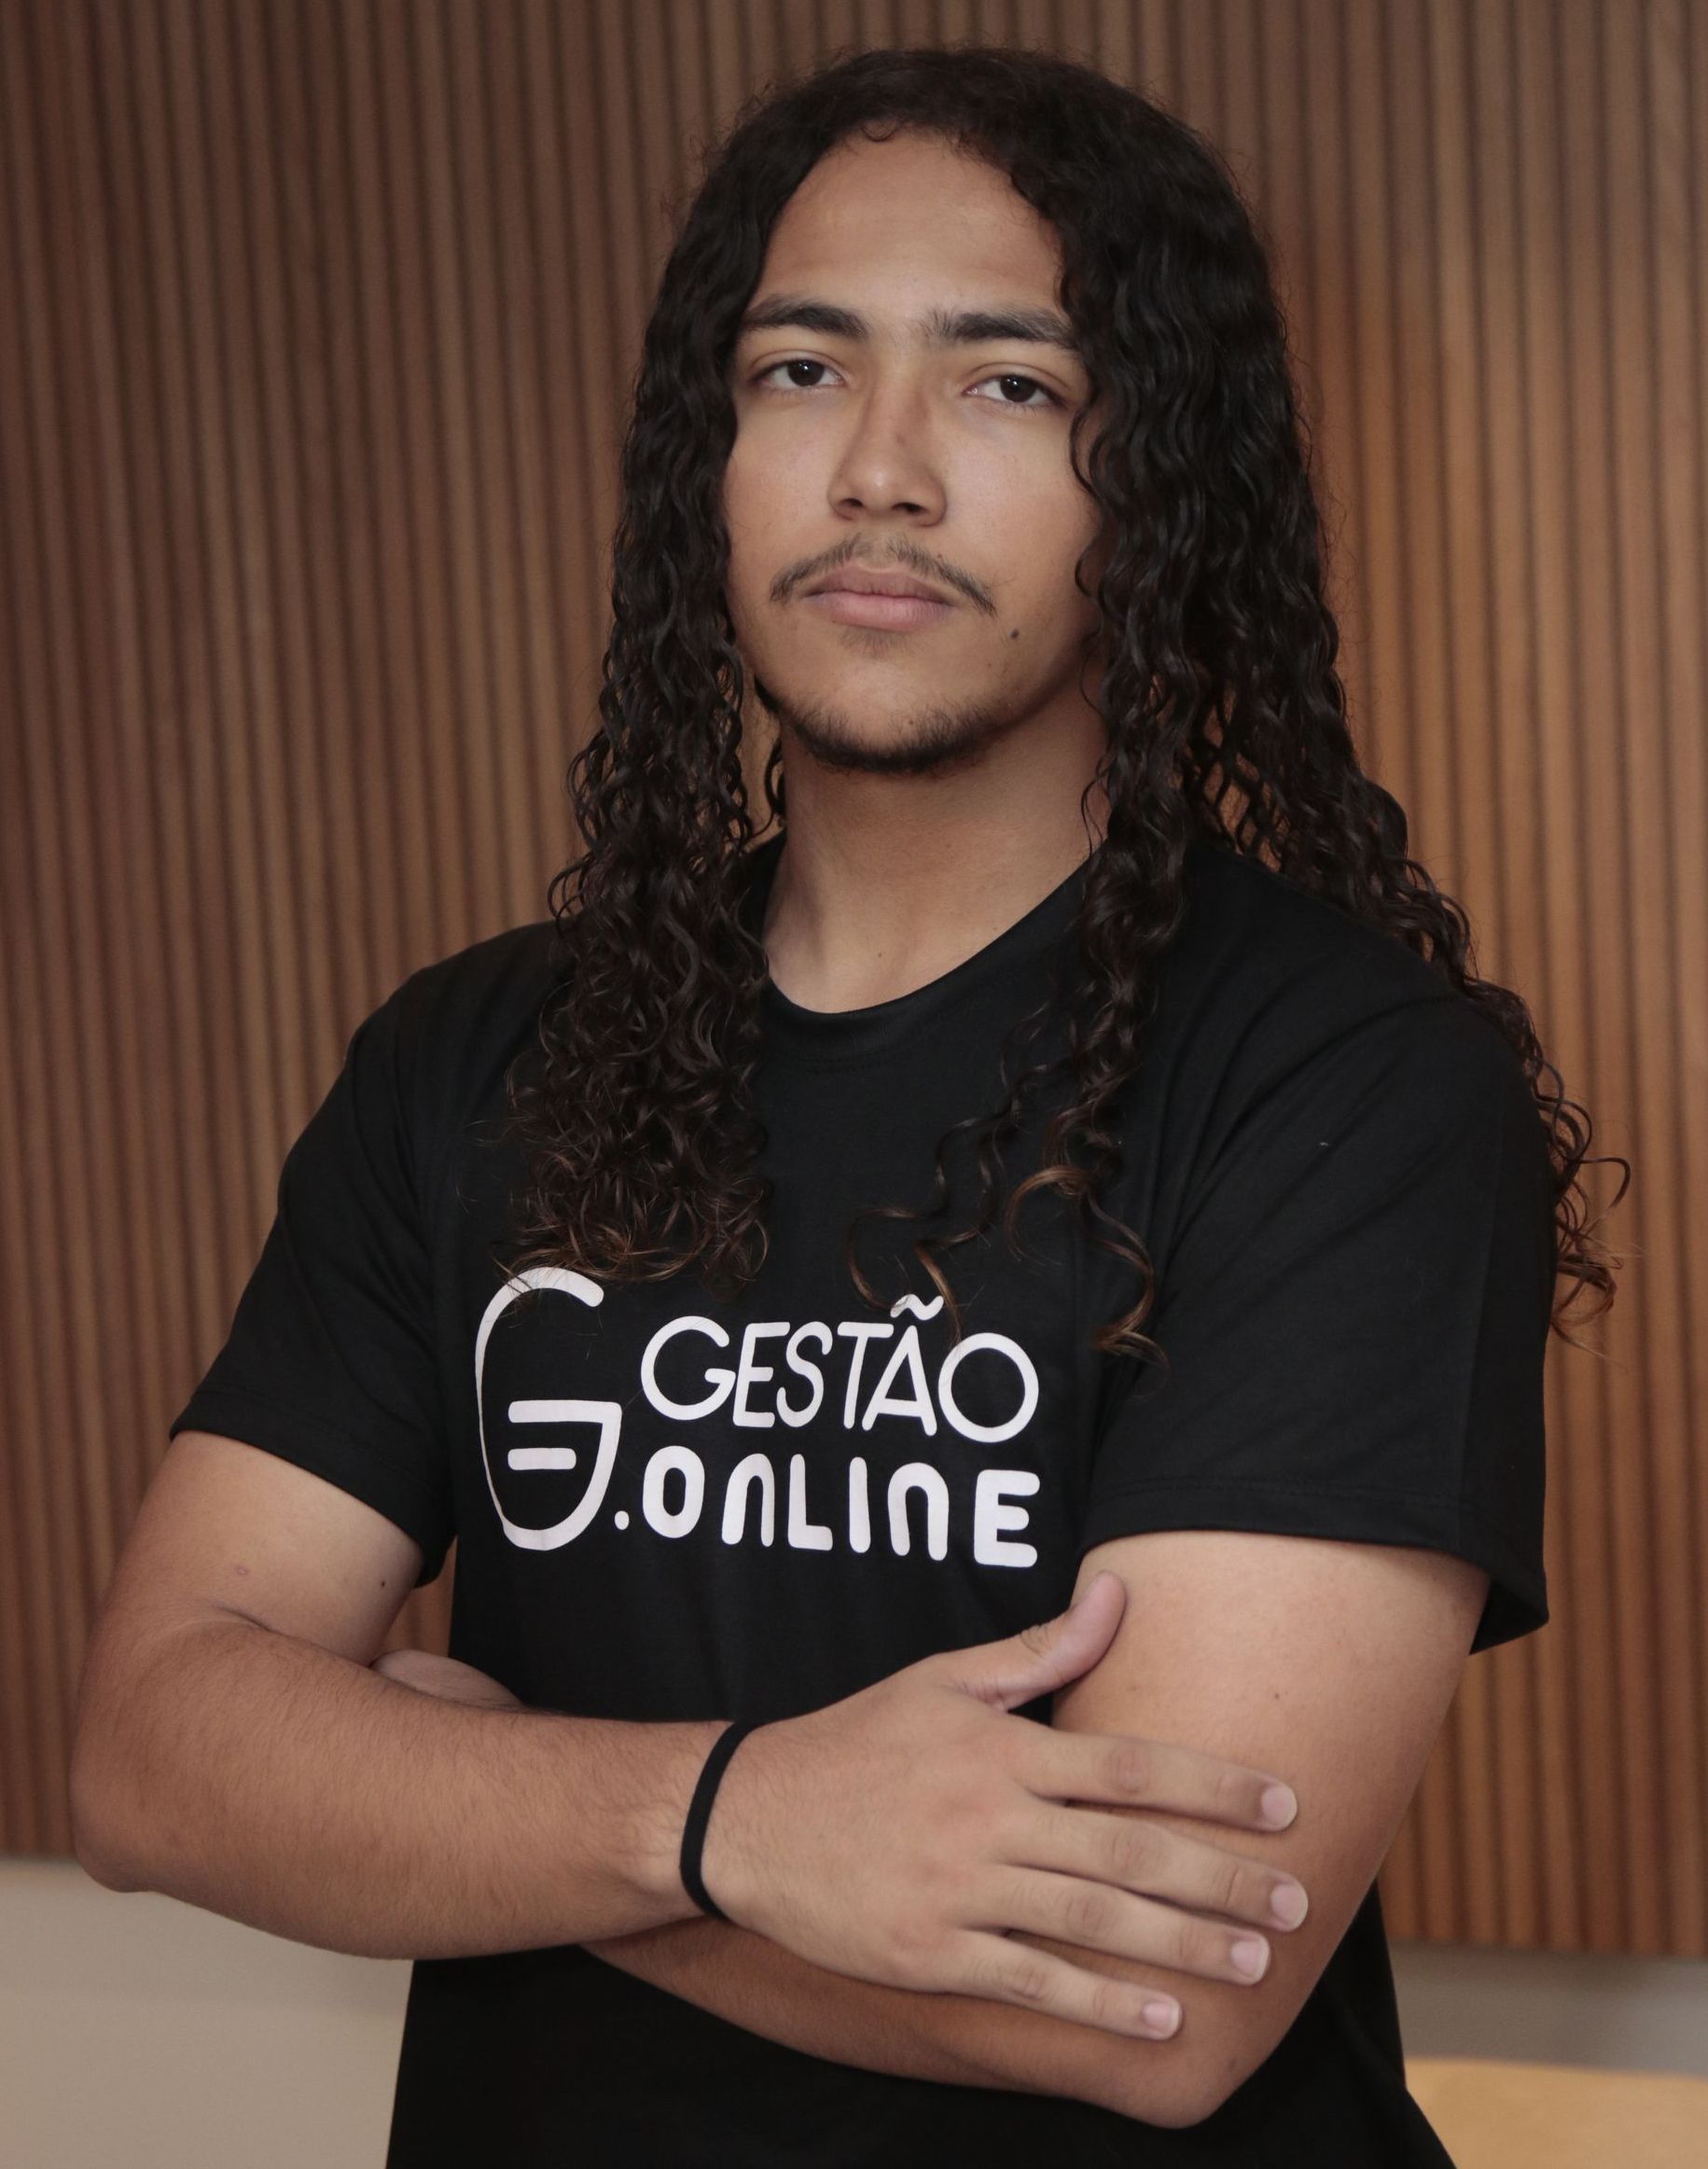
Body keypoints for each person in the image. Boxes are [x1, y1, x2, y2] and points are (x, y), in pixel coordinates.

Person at [70, 42, 1620, 2168]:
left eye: (1008, 383)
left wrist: (502, 1812)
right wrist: (728, 1816)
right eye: (801, 369)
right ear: (706, 460)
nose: (880, 468)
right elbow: (153, 1755)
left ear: (1161, 482)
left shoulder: (1344, 1083)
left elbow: (1161, 2001)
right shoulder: (473, 1056)